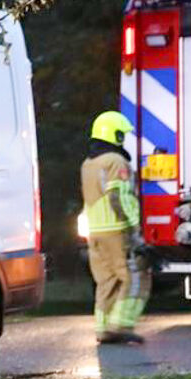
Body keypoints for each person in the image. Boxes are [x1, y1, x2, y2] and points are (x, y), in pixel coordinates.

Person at [81, 110, 150, 344]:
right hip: (116, 229)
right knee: (136, 276)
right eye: (122, 134)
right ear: (115, 135)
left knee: (106, 280)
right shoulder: (116, 162)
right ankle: (121, 325)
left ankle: (103, 328)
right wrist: (133, 227)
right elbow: (119, 197)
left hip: (95, 232)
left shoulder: (88, 163)